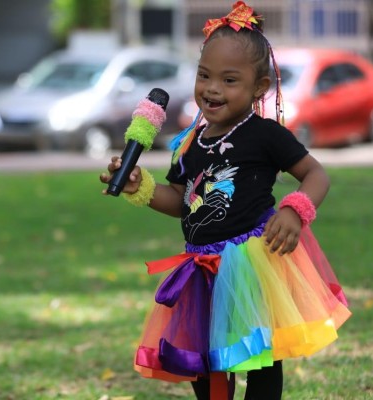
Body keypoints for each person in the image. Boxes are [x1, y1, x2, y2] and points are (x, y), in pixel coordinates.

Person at [99, 2, 351, 399]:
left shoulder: (265, 135)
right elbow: (182, 200)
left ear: (259, 88)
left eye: (229, 80)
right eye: (204, 76)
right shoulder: (189, 143)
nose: (212, 88)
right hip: (201, 268)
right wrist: (140, 187)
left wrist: (294, 209)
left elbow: (316, 175)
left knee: (258, 358)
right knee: (204, 360)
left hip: (250, 264)